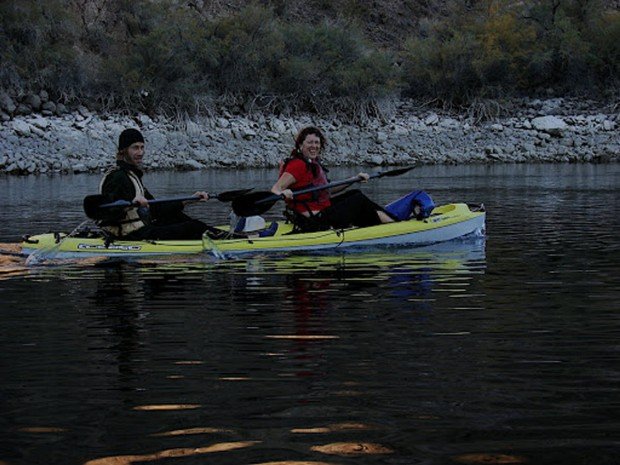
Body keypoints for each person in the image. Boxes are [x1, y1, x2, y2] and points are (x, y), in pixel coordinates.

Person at [270, 126, 396, 232]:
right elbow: (276, 189)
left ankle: (389, 221)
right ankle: (392, 226)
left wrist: (354, 179)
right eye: (310, 142)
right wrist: (283, 193)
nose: (314, 146)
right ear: (301, 145)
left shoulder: (312, 163)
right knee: (358, 200)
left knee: (355, 194)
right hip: (314, 219)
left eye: (317, 143)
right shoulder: (298, 165)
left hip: (322, 212)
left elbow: (327, 191)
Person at [98, 128, 213, 240]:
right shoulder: (117, 177)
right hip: (129, 234)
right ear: (123, 151)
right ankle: (217, 237)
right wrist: (130, 205)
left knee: (176, 217)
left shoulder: (131, 175)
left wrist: (190, 199)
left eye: (142, 147)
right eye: (135, 148)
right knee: (194, 227)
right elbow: (109, 211)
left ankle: (215, 234)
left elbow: (156, 209)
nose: (140, 152)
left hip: (139, 229)